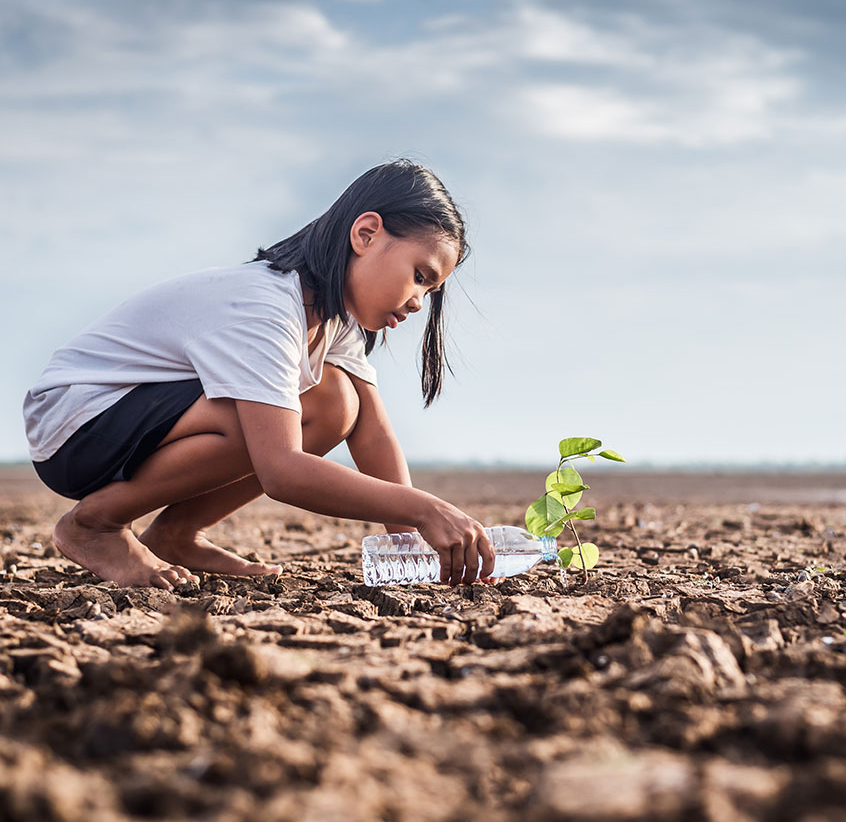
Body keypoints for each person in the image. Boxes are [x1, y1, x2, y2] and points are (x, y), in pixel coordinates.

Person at [23, 160, 495, 591]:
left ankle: (176, 533)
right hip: (77, 422)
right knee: (260, 415)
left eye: (429, 291)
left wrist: (412, 544)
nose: (418, 301)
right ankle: (95, 525)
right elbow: (282, 471)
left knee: (336, 402)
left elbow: (372, 434)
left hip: (129, 419)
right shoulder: (267, 307)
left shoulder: (332, 319)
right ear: (366, 235)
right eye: (419, 275)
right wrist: (425, 509)